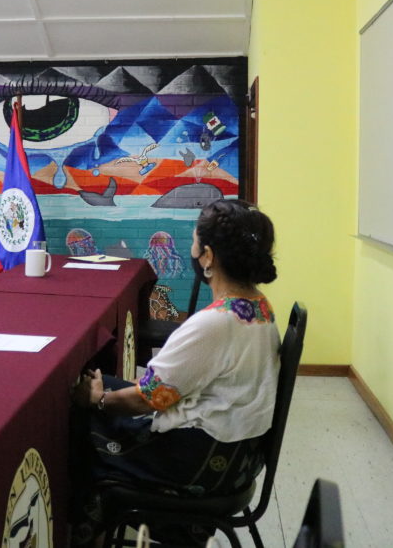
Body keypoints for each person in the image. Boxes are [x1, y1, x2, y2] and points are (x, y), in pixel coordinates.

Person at [69, 198, 279, 546]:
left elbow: (148, 399)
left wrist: (98, 400)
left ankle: (87, 530)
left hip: (201, 459)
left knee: (78, 420)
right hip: (239, 454)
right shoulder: (259, 306)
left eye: (195, 242)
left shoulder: (214, 323)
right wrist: (109, 390)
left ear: (208, 256)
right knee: (107, 386)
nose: (192, 250)